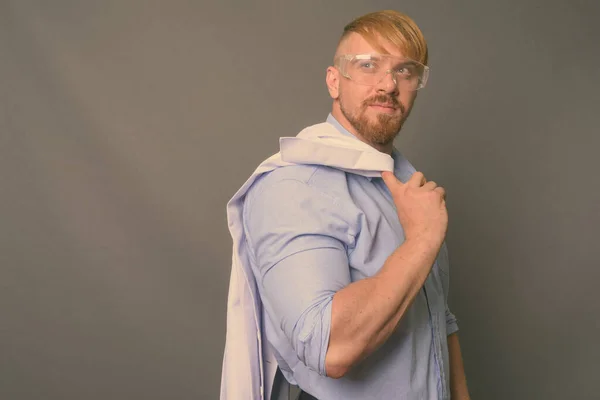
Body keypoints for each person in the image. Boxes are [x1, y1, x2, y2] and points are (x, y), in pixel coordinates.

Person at [221, 9, 470, 400]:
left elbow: (439, 319)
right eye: (368, 65)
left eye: (405, 71)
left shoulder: (407, 189)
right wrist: (422, 240)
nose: (388, 84)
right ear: (334, 81)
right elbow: (330, 348)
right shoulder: (294, 186)